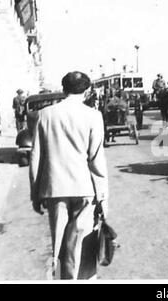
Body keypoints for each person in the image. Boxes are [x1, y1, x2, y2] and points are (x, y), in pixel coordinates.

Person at [29, 71, 109, 280]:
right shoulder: (93, 116)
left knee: (59, 244)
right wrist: (102, 196)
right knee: (81, 242)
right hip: (84, 189)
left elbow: (36, 157)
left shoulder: (45, 115)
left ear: (63, 89)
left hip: (55, 189)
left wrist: (35, 194)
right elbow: (96, 159)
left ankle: (62, 278)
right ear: (87, 90)